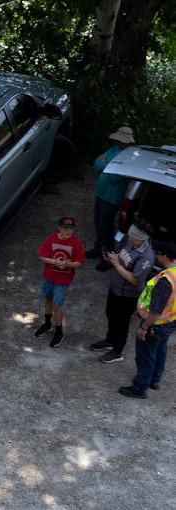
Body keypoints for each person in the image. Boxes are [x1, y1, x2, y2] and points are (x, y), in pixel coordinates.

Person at [90, 225, 157, 363]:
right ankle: (110, 340)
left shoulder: (146, 257)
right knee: (110, 314)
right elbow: (122, 257)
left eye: (132, 237)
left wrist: (116, 264)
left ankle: (117, 351)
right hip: (115, 288)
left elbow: (135, 280)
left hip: (128, 295)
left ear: (141, 239)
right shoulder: (131, 244)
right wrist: (112, 258)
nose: (129, 239)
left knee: (122, 322)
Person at [119, 241, 176, 399]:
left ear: (165, 256)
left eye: (158, 254)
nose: (156, 256)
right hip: (170, 323)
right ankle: (154, 380)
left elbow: (155, 311)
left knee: (146, 356)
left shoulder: (166, 281)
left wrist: (144, 327)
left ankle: (140, 387)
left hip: (155, 325)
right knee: (160, 350)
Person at [34, 217, 87, 347]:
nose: (68, 231)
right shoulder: (51, 239)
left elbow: (80, 261)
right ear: (59, 228)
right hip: (49, 277)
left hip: (63, 280)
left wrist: (67, 264)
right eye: (65, 228)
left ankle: (59, 331)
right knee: (48, 299)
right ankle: (47, 324)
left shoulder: (76, 243)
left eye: (71, 228)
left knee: (57, 305)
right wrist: (54, 262)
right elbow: (41, 254)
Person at [89, 126, 135, 264]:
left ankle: (108, 257)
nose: (118, 142)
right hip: (101, 191)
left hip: (112, 197)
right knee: (98, 222)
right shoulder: (114, 149)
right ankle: (98, 249)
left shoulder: (130, 155)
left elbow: (116, 178)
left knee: (106, 226)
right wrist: (109, 167)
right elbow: (97, 162)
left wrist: (105, 165)